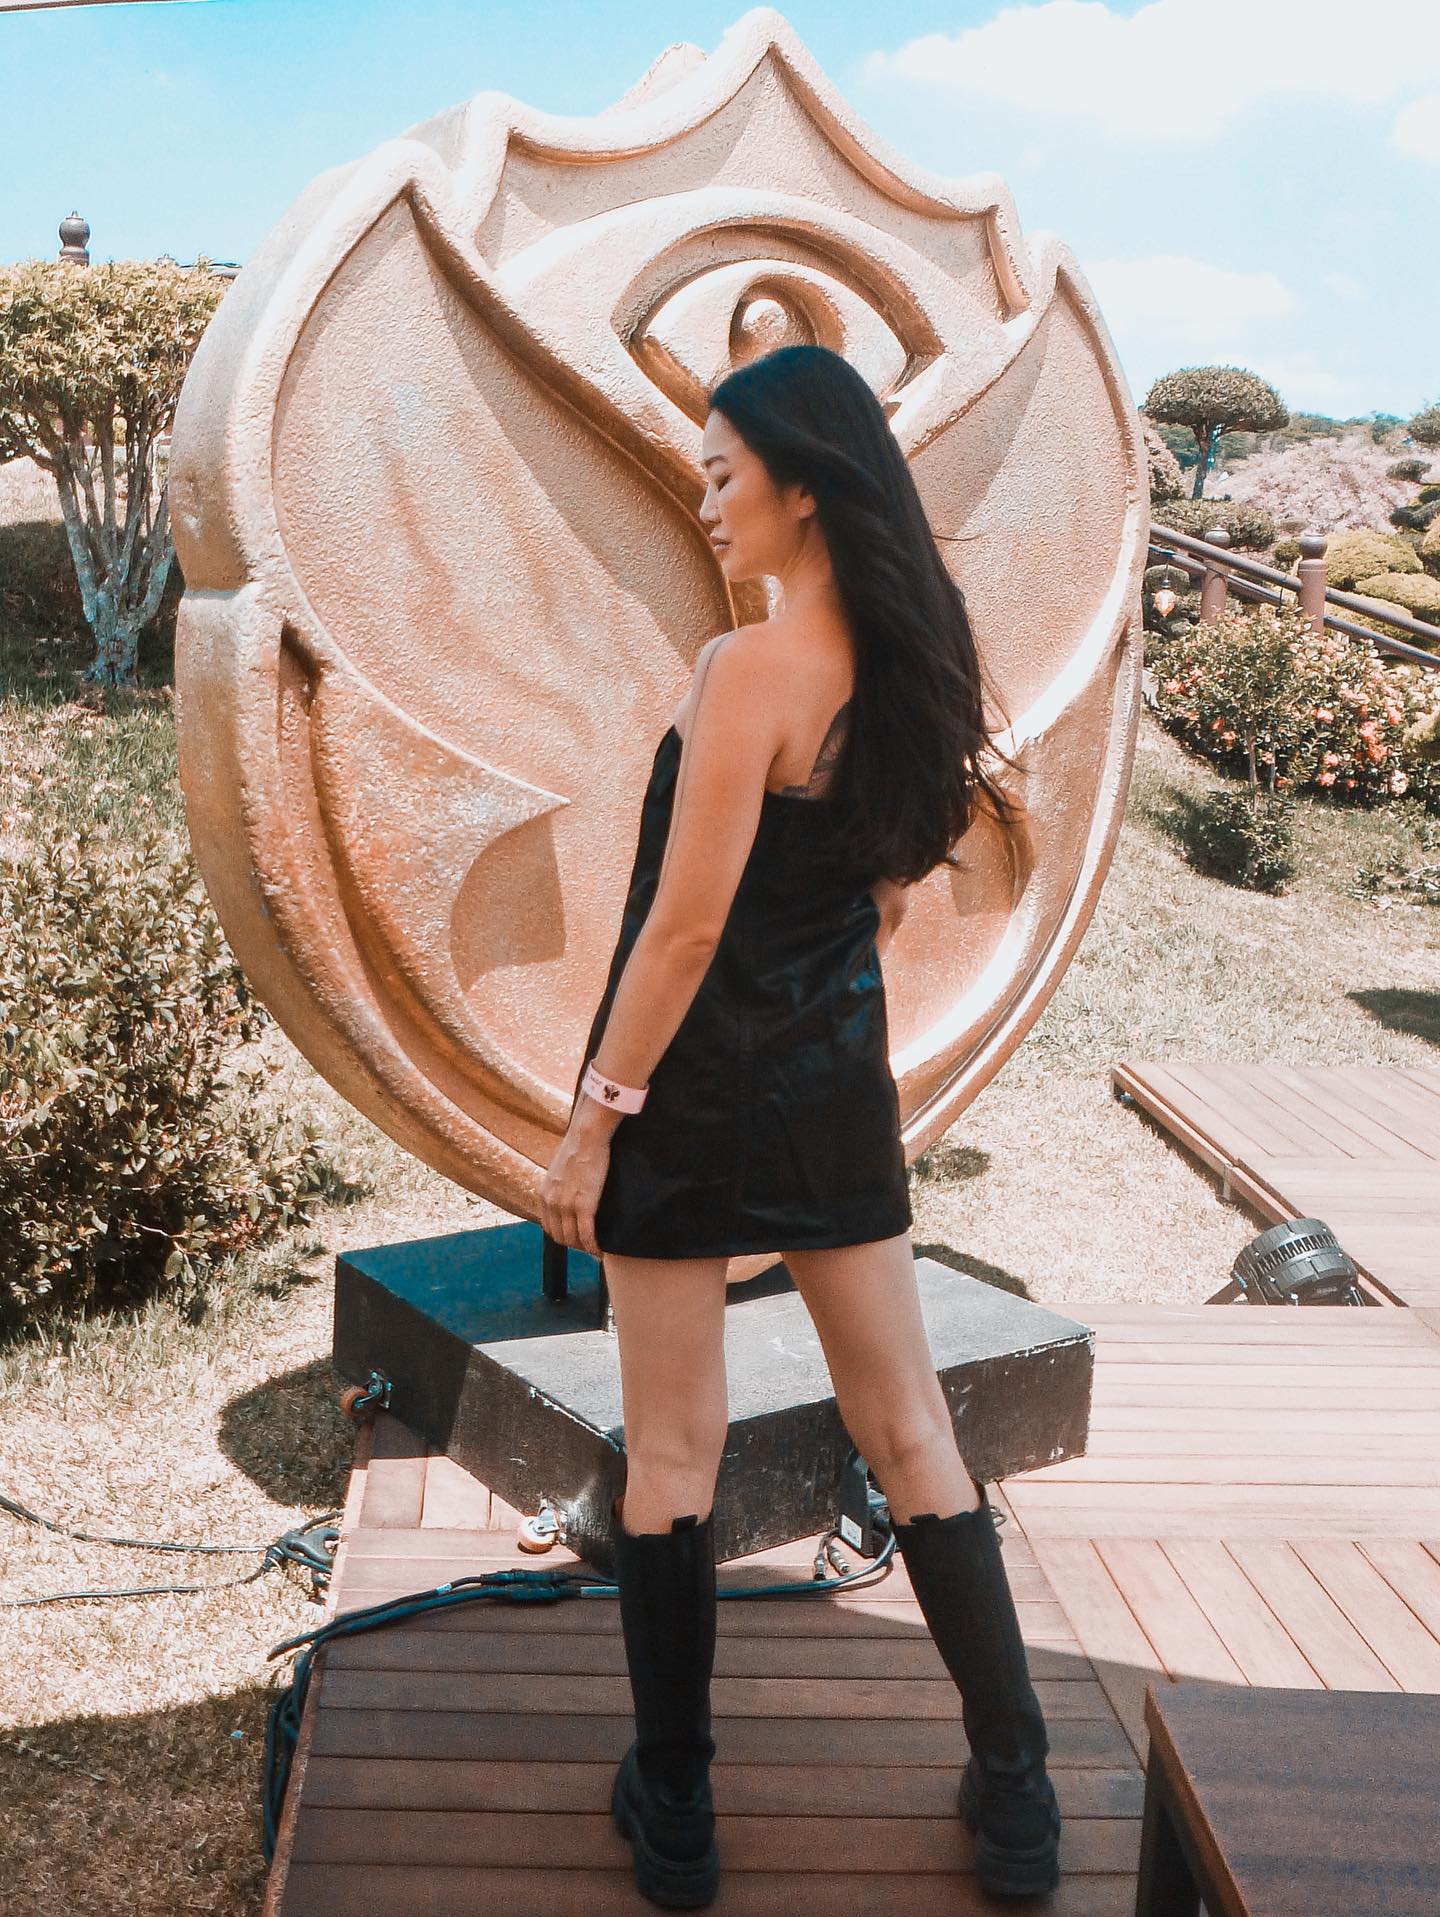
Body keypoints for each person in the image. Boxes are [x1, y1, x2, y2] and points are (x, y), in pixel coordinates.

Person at [539, 342, 1061, 1907]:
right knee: (911, 1428)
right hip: (834, 1096)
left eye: (723, 475)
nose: (707, 501)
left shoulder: (745, 671)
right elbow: (894, 891)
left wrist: (591, 1126)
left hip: (687, 1101)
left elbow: (684, 930)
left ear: (807, 489)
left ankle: (680, 1810)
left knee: (673, 1450)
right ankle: (1019, 1789)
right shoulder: (917, 673)